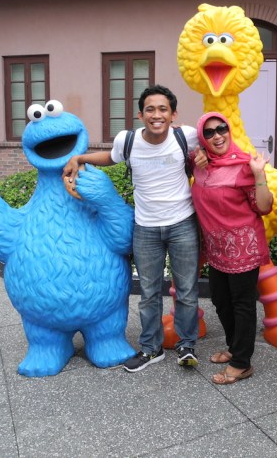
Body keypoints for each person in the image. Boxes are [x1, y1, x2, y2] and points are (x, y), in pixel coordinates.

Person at [63, 84, 207, 373]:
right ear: (141, 115)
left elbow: (218, 142)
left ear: (173, 114)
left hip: (182, 224)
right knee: (149, 292)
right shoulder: (127, 140)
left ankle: (186, 345)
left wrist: (205, 153)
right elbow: (111, 157)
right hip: (146, 228)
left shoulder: (186, 136)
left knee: (187, 290)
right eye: (150, 109)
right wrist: (80, 158)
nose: (157, 115)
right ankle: (151, 348)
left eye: (163, 109)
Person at [191, 112, 273, 385]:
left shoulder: (244, 165)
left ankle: (242, 363)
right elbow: (174, 132)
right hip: (217, 249)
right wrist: (198, 153)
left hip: (243, 247)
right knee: (221, 300)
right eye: (209, 132)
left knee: (242, 305)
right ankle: (234, 347)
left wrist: (259, 174)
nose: (217, 135)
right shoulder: (200, 164)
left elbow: (264, 206)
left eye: (221, 129)